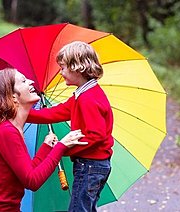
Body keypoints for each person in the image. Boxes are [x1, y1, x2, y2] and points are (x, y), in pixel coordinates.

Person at [0, 68, 87, 212]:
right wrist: (61, 146)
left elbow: (27, 172)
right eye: (24, 81)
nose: (31, 82)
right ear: (13, 96)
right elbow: (32, 181)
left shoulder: (10, 129)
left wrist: (46, 147)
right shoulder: (6, 131)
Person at [27, 41, 114, 212]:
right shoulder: (81, 95)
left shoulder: (88, 99)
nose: (61, 73)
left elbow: (95, 136)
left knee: (78, 209)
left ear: (77, 68)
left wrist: (63, 149)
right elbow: (55, 113)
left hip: (90, 165)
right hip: (91, 164)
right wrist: (23, 114)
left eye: (63, 68)